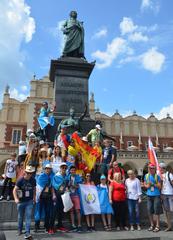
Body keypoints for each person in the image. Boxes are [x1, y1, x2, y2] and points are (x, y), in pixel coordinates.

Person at [13, 166, 36, 239]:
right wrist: (16, 199)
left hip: (29, 201)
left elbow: (34, 189)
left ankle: (27, 232)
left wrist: (34, 198)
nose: (29, 174)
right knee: (20, 217)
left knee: (28, 217)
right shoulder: (20, 180)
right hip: (21, 201)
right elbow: (14, 190)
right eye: (28, 173)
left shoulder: (33, 180)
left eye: (30, 173)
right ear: (25, 172)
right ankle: (19, 230)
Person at [35, 164, 54, 234]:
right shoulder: (41, 176)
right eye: (47, 168)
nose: (48, 170)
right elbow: (39, 187)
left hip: (48, 197)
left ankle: (46, 226)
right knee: (38, 211)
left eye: (49, 169)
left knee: (47, 212)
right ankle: (36, 226)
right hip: (41, 197)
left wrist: (53, 195)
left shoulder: (52, 176)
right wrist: (37, 197)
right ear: (45, 169)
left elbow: (52, 187)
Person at [144, 163, 162, 232]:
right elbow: (145, 184)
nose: (150, 169)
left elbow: (160, 186)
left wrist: (153, 184)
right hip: (149, 195)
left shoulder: (157, 176)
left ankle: (157, 226)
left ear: (155, 169)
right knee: (149, 211)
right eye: (149, 168)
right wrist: (146, 186)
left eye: (152, 168)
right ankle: (152, 225)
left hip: (156, 195)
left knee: (156, 211)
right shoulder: (146, 175)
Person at [52, 162, 68, 232]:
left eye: (65, 168)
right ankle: (51, 226)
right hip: (57, 195)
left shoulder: (66, 176)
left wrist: (66, 188)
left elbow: (67, 185)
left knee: (61, 211)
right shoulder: (56, 176)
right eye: (62, 167)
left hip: (63, 195)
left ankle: (60, 225)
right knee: (54, 211)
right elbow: (53, 185)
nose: (64, 169)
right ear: (60, 168)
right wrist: (54, 195)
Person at [67, 165, 83, 232]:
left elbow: (79, 186)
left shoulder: (78, 177)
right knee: (71, 211)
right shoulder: (68, 177)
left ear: (75, 171)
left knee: (77, 211)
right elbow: (65, 185)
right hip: (70, 195)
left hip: (76, 195)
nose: (73, 171)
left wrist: (73, 185)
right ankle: (73, 225)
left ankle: (79, 225)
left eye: (74, 170)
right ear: (70, 171)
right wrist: (68, 185)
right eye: (71, 170)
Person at [159, 162, 173, 231]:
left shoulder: (169, 174)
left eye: (160, 168)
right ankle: (169, 225)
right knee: (167, 211)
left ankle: (170, 224)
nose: (159, 169)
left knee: (171, 210)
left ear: (163, 168)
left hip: (170, 194)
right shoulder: (160, 175)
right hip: (163, 194)